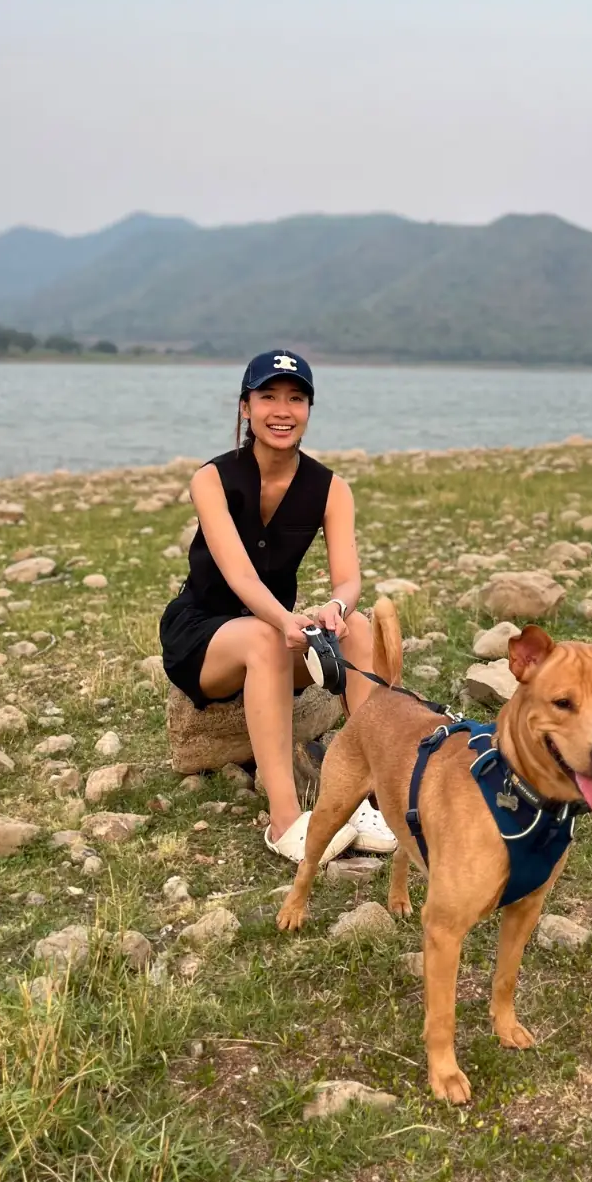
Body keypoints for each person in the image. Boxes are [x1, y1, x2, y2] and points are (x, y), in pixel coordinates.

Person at [159, 348, 396, 864]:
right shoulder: (211, 479)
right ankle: (284, 820)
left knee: (356, 627)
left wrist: (334, 607)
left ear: (309, 409)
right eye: (268, 397)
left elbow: (348, 579)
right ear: (246, 407)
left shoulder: (331, 489)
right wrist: (286, 620)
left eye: (295, 398)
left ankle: (369, 798)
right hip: (203, 636)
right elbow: (239, 574)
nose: (282, 410)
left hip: (270, 629)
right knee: (266, 636)